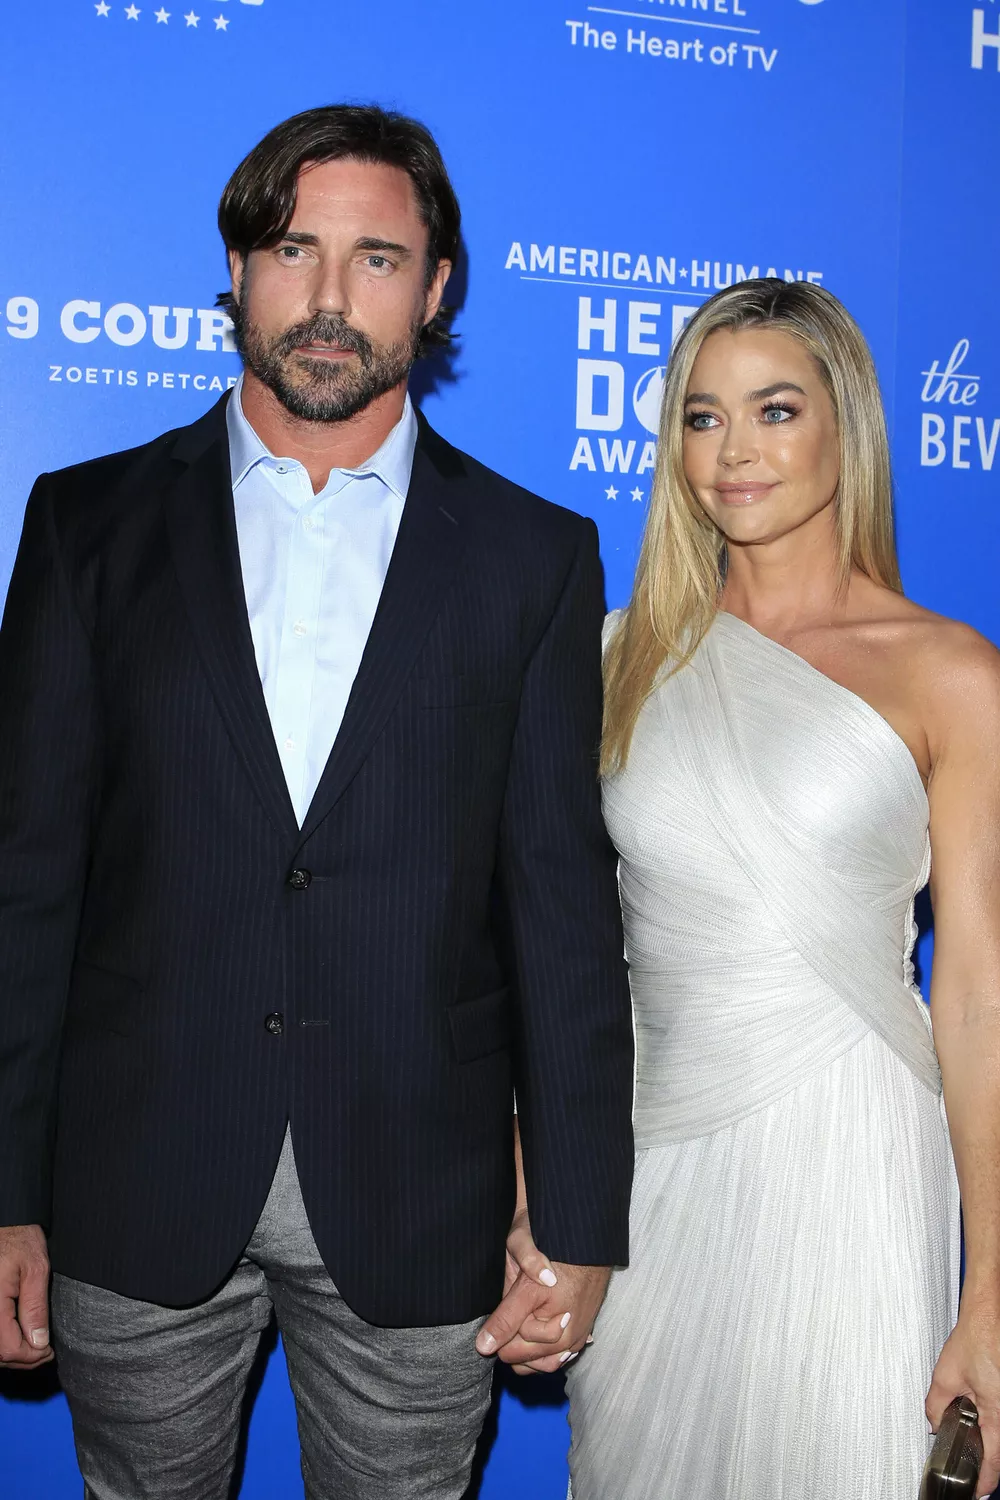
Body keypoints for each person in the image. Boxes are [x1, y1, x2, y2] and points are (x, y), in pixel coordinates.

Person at [0, 104, 634, 1499]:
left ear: (438, 288)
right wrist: (5, 1194)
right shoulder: (85, 526)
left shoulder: (534, 557)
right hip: (134, 1183)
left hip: (424, 1197)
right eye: (295, 250)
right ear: (237, 270)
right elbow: (26, 885)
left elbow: (560, 909)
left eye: (378, 258)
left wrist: (580, 1214)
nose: (332, 297)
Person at [503, 278, 1000, 1495]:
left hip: (853, 1154)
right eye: (701, 416)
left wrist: (990, 1289)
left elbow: (978, 999)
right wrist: (536, 1196)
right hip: (651, 1170)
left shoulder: (947, 673)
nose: (733, 451)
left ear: (847, 426)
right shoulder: (613, 658)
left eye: (774, 410)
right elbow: (557, 967)